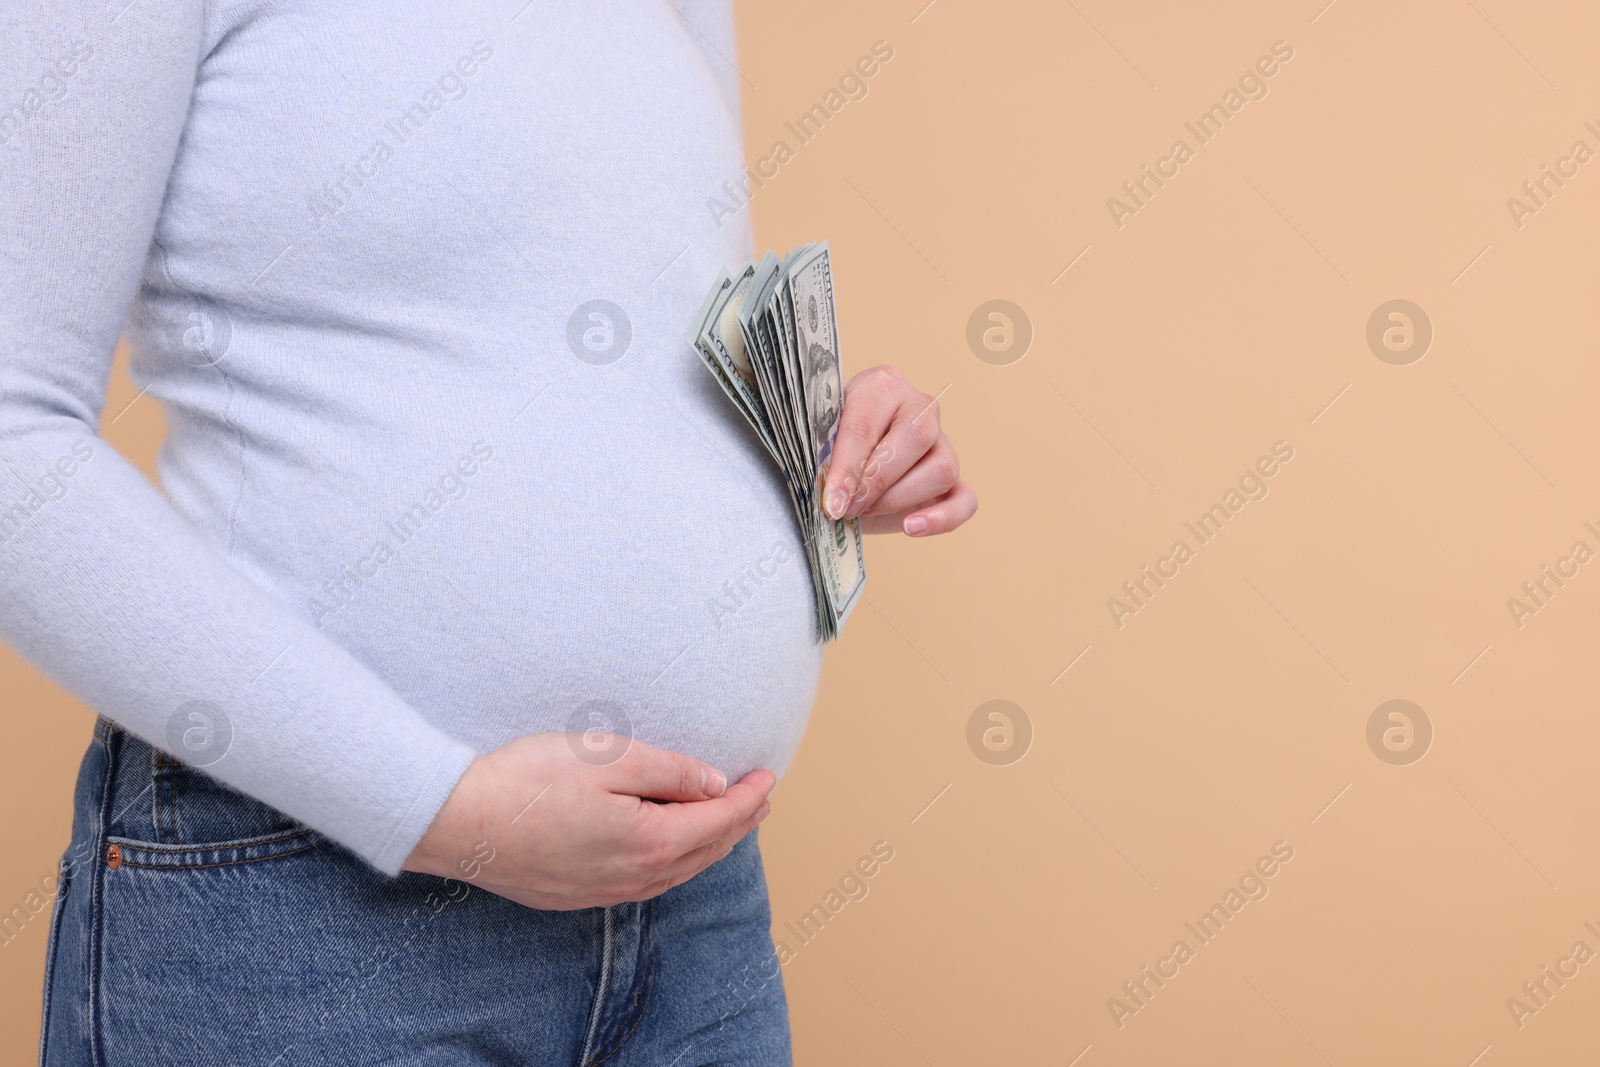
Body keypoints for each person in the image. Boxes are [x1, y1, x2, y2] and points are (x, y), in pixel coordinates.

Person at [2, 3, 975, 1064]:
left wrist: (825, 438)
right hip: (310, 899)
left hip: (694, 914)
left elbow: (652, 335)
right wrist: (442, 810)